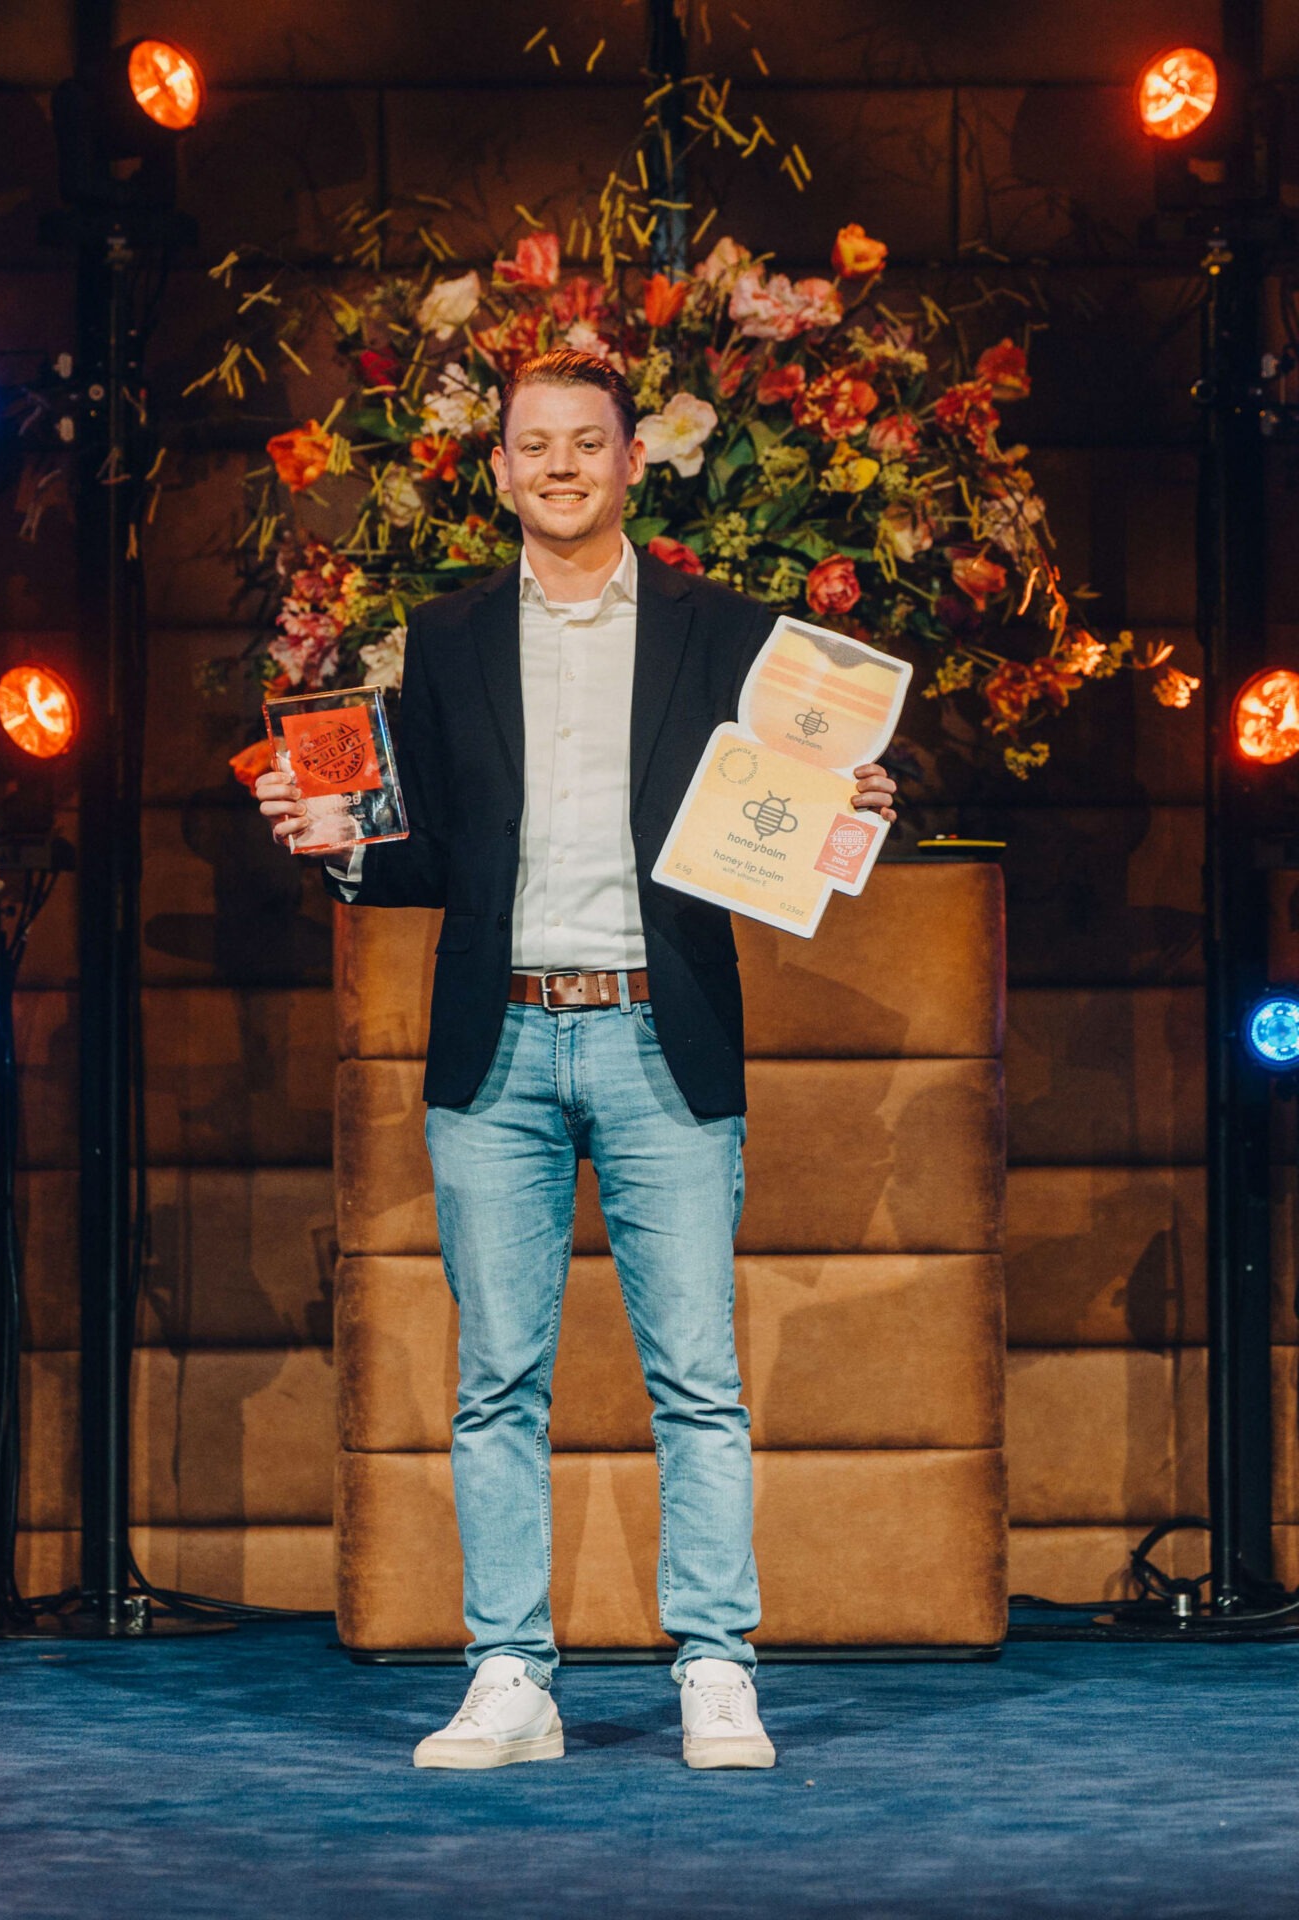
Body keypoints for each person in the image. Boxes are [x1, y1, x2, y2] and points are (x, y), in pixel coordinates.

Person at [257, 348, 897, 1772]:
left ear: (631, 462)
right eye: (534, 445)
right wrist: (343, 845)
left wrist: (850, 801)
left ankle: (716, 1669)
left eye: (586, 443)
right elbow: (432, 848)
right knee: (497, 1381)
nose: (560, 467)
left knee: (699, 1381)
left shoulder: (725, 630)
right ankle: (511, 1679)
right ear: (497, 471)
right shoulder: (449, 636)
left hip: (664, 1031)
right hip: (500, 1043)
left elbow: (790, 803)